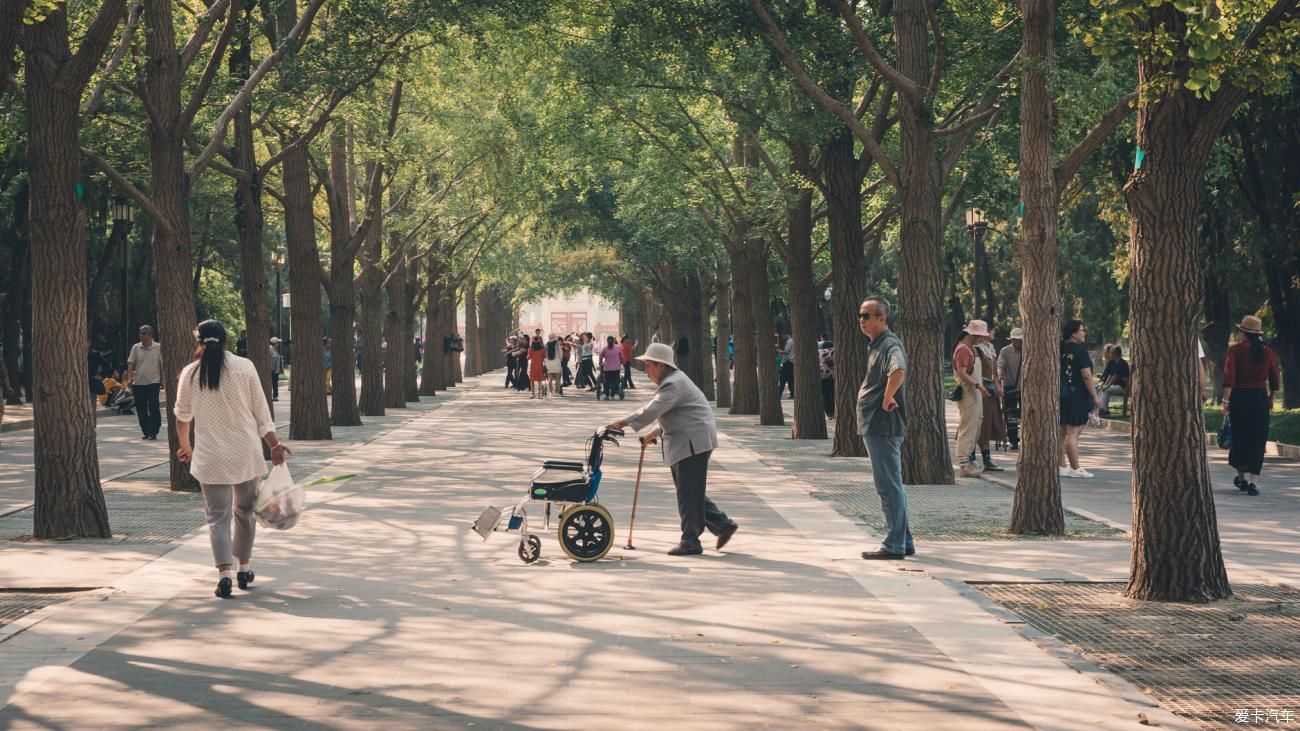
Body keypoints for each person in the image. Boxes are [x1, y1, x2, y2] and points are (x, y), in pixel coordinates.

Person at [175, 319, 290, 599]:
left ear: (199, 342)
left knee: (217, 517)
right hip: (245, 452)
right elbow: (262, 413)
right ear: (226, 341)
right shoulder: (244, 367)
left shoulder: (190, 374)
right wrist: (273, 445)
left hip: (210, 455)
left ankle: (223, 574)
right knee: (244, 513)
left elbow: (182, 417)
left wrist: (185, 447)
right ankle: (244, 568)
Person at [605, 342, 738, 556]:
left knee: (688, 493)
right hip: (690, 439)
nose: (646, 370)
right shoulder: (673, 381)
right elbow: (673, 413)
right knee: (690, 491)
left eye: (648, 365)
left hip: (692, 441)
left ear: (660, 365)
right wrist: (654, 433)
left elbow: (653, 409)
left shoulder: (673, 384)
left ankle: (691, 541)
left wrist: (623, 422)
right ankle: (722, 524)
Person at [856, 297, 913, 560]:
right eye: (861, 315)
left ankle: (893, 545)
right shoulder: (877, 345)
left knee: (888, 486)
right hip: (876, 425)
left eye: (868, 316)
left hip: (883, 426)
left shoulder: (889, 344)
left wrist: (889, 396)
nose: (862, 321)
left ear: (882, 318)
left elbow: (898, 370)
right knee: (891, 484)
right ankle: (904, 541)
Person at [1223, 315, 1280, 496]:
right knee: (1257, 438)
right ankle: (1254, 483)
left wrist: (1225, 401)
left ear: (1243, 333)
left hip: (1239, 398)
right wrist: (1270, 396)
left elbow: (1229, 379)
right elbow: (1274, 377)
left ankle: (1241, 479)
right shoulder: (1267, 351)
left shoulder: (1234, 351)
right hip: (1259, 398)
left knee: (1240, 437)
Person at [1059, 319, 1101, 478]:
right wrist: (1095, 396)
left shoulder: (1059, 347)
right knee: (1073, 432)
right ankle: (1075, 468)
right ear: (1074, 333)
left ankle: (1061, 466)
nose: (1084, 333)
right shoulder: (1079, 350)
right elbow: (1086, 375)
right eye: (1082, 330)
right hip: (1077, 395)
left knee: (1062, 431)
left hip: (1061, 394)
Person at [952, 320, 990, 477]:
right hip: (969, 393)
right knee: (968, 427)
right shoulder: (963, 350)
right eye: (980, 335)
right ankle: (964, 464)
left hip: (975, 393)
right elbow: (962, 373)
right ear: (972, 334)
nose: (982, 339)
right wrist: (978, 385)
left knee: (976, 426)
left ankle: (969, 459)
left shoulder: (972, 349)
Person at [974, 337, 1006, 471]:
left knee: (989, 423)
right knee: (977, 424)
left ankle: (986, 457)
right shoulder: (975, 349)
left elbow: (993, 371)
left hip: (990, 391)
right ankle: (970, 457)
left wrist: (997, 384)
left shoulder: (989, 348)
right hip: (979, 390)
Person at [127, 325, 163, 440]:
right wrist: (129, 379)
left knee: (153, 405)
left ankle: (154, 430)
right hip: (139, 382)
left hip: (154, 381)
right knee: (141, 408)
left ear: (150, 335)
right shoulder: (136, 348)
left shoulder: (158, 347)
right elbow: (131, 363)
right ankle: (146, 431)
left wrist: (164, 380)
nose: (141, 336)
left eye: (144, 333)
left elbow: (162, 365)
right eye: (140, 333)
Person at [997, 328, 1023, 450]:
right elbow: (1000, 365)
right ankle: (1013, 439)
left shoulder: (1029, 350)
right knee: (1011, 415)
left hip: (1026, 389)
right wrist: (999, 374)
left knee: (1027, 413)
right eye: (1017, 340)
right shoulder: (1005, 351)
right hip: (1010, 387)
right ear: (1012, 340)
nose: (1019, 342)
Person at [1096, 345, 1129, 416]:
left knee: (1106, 390)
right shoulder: (1114, 362)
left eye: (1111, 353)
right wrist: (1104, 385)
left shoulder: (1122, 363)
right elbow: (1110, 375)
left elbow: (1116, 377)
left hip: (1122, 387)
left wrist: (1107, 386)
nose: (1110, 355)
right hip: (1115, 386)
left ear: (1116, 354)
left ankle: (1104, 410)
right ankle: (1099, 409)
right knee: (1101, 388)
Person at [599, 335, 624, 400]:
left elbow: (601, 356)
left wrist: (601, 363)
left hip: (607, 369)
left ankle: (607, 395)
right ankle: (612, 395)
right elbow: (622, 357)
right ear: (613, 341)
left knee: (606, 382)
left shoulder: (605, 348)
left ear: (607, 341)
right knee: (614, 382)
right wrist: (620, 363)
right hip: (616, 369)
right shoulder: (618, 348)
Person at [818, 334, 835, 419]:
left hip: (823, 376)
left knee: (825, 395)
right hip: (834, 376)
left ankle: (828, 413)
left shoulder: (820, 352)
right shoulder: (834, 351)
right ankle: (834, 410)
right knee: (834, 393)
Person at [527, 335, 546, 399]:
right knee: (539, 381)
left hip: (533, 366)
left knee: (532, 380)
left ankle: (533, 394)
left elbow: (529, 358)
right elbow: (544, 357)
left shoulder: (530, 349)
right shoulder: (542, 349)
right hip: (540, 366)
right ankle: (539, 395)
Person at [777, 332, 795, 398]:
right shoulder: (794, 341)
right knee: (790, 379)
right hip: (792, 363)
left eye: (782, 335)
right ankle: (793, 394)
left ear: (786, 334)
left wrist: (780, 351)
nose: (782, 337)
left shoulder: (789, 341)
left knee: (782, 378)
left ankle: (779, 394)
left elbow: (786, 351)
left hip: (788, 362)